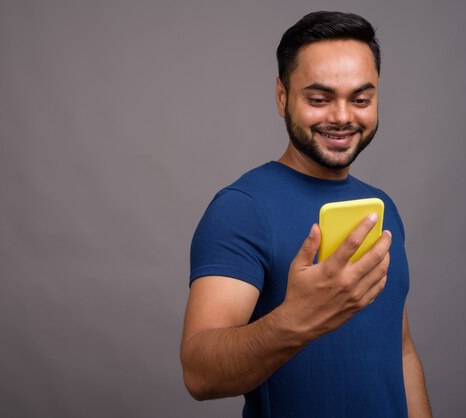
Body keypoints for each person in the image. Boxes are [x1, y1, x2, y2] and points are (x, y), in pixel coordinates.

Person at [180, 11, 432, 418]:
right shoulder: (242, 208)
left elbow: (400, 353)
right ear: (282, 96)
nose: (342, 117)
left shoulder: (380, 208)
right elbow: (199, 371)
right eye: (319, 99)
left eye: (361, 99)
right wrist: (293, 321)